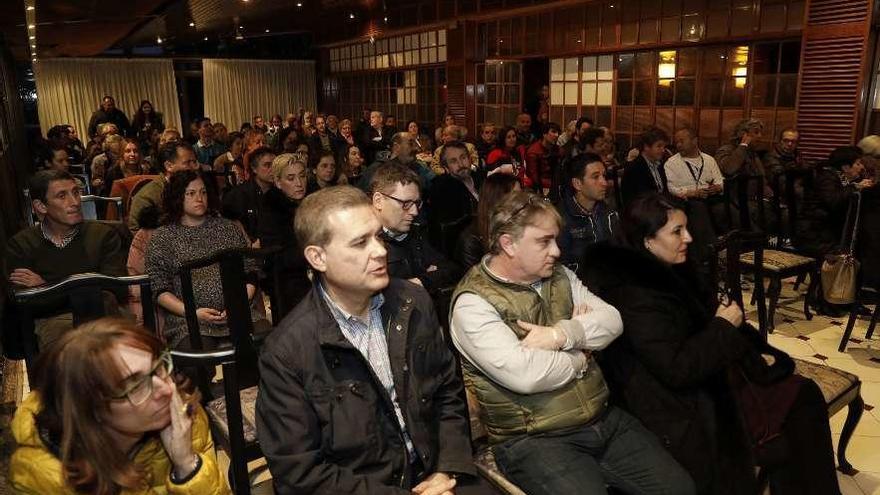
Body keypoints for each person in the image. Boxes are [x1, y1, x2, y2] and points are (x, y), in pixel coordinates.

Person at [580, 193, 841, 495]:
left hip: (708, 370)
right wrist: (724, 327)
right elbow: (677, 369)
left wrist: (749, 348)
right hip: (676, 404)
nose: (689, 238)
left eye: (686, 228)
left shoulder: (670, 269)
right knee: (800, 406)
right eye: (677, 231)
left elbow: (706, 321)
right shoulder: (634, 292)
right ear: (647, 240)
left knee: (802, 396)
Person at [450, 190, 695, 495]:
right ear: (508, 244)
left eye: (556, 240)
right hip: (534, 438)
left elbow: (613, 320)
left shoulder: (559, 275)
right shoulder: (474, 303)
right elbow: (526, 375)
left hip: (601, 417)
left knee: (680, 489)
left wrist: (561, 335)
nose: (556, 251)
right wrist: (583, 355)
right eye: (544, 241)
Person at [255, 185, 494, 494]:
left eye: (378, 236)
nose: (380, 251)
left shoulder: (412, 301)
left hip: (434, 472)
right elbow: (299, 472)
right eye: (360, 243)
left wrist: (447, 469)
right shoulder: (286, 351)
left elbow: (448, 391)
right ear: (318, 257)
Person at [8, 318, 230, 495]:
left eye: (158, 368)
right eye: (134, 386)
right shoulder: (43, 477)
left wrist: (188, 466)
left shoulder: (182, 414)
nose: (166, 390)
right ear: (90, 408)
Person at [5, 170, 127, 348]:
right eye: (62, 196)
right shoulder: (21, 245)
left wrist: (46, 286)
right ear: (41, 206)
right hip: (51, 321)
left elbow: (116, 291)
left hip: (102, 316)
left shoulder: (103, 235)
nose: (75, 202)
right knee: (68, 345)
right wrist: (85, 286)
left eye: (76, 192)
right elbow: (24, 302)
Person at [145, 170, 263, 350]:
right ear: (178, 197)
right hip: (187, 319)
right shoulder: (163, 237)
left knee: (267, 344)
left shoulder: (227, 228)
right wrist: (192, 312)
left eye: (203, 192)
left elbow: (250, 272)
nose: (199, 198)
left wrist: (237, 304)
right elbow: (159, 289)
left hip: (237, 311)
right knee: (197, 357)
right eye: (191, 193)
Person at [371, 162, 461, 295]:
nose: (415, 212)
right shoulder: (362, 244)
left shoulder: (416, 233)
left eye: (417, 203)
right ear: (379, 201)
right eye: (406, 203)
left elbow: (453, 270)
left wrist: (421, 281)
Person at [795, 146, 875, 260]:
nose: (862, 167)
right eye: (858, 164)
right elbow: (834, 201)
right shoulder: (826, 177)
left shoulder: (842, 177)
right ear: (846, 167)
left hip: (828, 230)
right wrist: (855, 186)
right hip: (816, 234)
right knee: (864, 245)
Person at [258, 153, 311, 321]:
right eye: (291, 178)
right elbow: (278, 256)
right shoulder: (270, 208)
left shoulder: (314, 201)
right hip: (287, 281)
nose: (299, 183)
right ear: (278, 182)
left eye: (302, 176)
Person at [558, 153, 618, 269]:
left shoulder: (609, 212)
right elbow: (562, 267)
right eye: (595, 177)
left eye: (604, 176)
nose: (604, 183)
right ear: (577, 184)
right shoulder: (561, 219)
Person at [129, 142, 200, 232]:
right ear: (169, 166)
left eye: (194, 162)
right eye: (188, 163)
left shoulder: (198, 188)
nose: (195, 167)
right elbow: (136, 233)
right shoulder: (147, 197)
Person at [454, 173, 520, 269]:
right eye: (516, 196)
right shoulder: (471, 242)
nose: (523, 200)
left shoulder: (519, 225)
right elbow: (475, 280)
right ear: (498, 200)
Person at [427, 142, 480, 254]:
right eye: (453, 161)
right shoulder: (443, 189)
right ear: (446, 168)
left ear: (470, 159)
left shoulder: (480, 179)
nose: (461, 164)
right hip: (461, 251)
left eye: (463, 158)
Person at [221, 146, 276, 240]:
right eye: (267, 165)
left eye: (275, 165)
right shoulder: (239, 195)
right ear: (254, 168)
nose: (273, 169)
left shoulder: (279, 192)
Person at [664, 128, 724, 200]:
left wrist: (718, 187)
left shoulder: (709, 160)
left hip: (710, 198)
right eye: (676, 142)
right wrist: (692, 193)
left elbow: (720, 180)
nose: (678, 145)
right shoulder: (671, 163)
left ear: (694, 141)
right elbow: (671, 188)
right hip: (686, 200)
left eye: (681, 141)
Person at [621, 127, 670, 205]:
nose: (663, 150)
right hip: (643, 211)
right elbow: (637, 199)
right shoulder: (634, 168)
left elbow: (664, 191)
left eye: (664, 147)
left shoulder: (660, 165)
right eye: (659, 146)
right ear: (646, 147)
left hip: (658, 208)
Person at [525, 122, 561, 198]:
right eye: (553, 132)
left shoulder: (557, 149)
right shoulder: (534, 151)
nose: (557, 135)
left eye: (558, 133)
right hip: (541, 186)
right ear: (544, 134)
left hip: (556, 184)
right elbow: (533, 175)